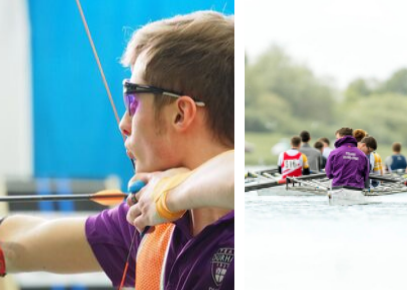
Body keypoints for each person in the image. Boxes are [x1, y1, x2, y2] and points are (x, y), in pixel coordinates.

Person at [0, 11, 234, 289]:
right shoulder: (152, 223)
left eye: (133, 101)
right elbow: (21, 242)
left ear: (180, 114)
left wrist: (169, 196)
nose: (123, 124)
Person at [326, 127, 370, 197]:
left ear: (342, 137)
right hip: (356, 190)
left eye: (337, 138)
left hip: (337, 188)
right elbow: (366, 176)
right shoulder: (362, 155)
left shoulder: (334, 153)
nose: (336, 140)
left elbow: (328, 173)